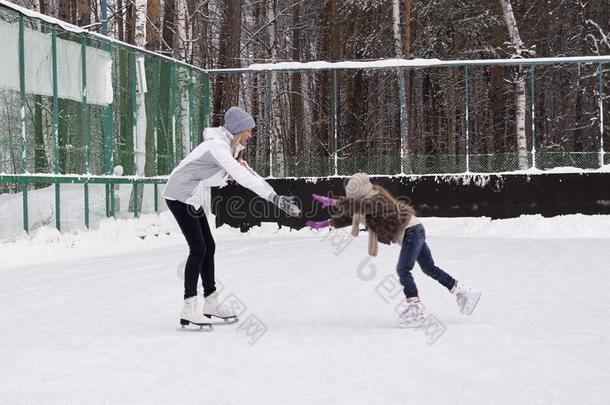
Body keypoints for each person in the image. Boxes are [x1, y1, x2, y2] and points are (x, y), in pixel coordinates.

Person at [164, 106, 300, 328]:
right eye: (248, 130)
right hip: (180, 195)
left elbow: (250, 175)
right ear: (238, 129)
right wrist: (275, 200)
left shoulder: (230, 148)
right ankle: (189, 307)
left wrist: (275, 196)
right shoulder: (218, 147)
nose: (250, 134)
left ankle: (211, 302)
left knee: (209, 246)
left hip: (193, 197)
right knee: (198, 248)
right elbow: (242, 178)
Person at [306, 172, 481, 328]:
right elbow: (346, 217)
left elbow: (360, 207)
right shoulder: (360, 206)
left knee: (403, 269)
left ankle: (415, 308)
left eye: (352, 197)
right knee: (429, 268)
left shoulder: (376, 199)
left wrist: (334, 202)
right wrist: (321, 224)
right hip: (413, 230)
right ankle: (464, 292)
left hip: (411, 231)